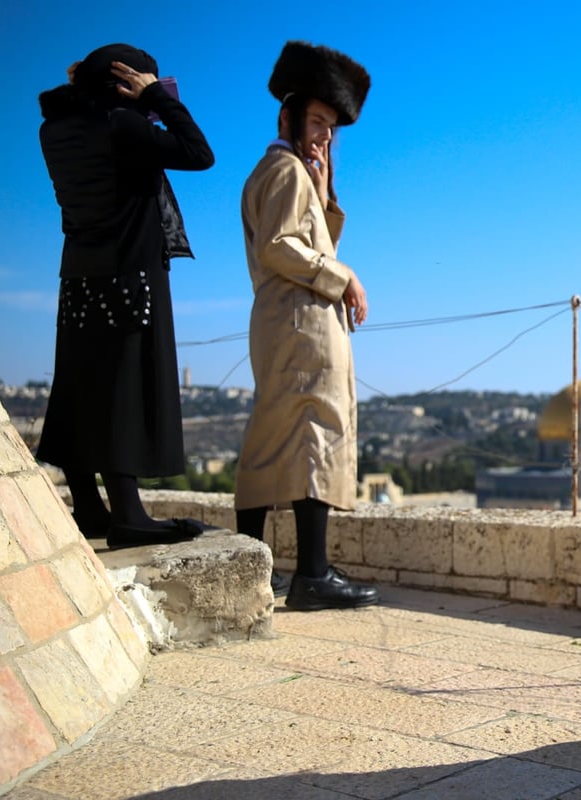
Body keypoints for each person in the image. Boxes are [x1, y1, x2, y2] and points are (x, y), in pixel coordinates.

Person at [37, 43, 214, 549]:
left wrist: (90, 86)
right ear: (125, 84)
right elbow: (199, 154)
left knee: (81, 382)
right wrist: (158, 95)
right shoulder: (124, 126)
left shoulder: (55, 128)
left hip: (79, 276)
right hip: (129, 273)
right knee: (124, 388)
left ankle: (90, 508)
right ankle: (130, 516)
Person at [233, 41, 378, 611]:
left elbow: (296, 240)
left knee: (275, 438)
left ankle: (247, 568)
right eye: (317, 121)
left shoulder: (283, 172)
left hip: (282, 319)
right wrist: (341, 275)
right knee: (314, 431)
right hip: (301, 322)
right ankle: (312, 574)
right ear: (287, 117)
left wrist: (325, 196)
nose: (325, 135)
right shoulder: (287, 170)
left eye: (332, 128)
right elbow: (280, 247)